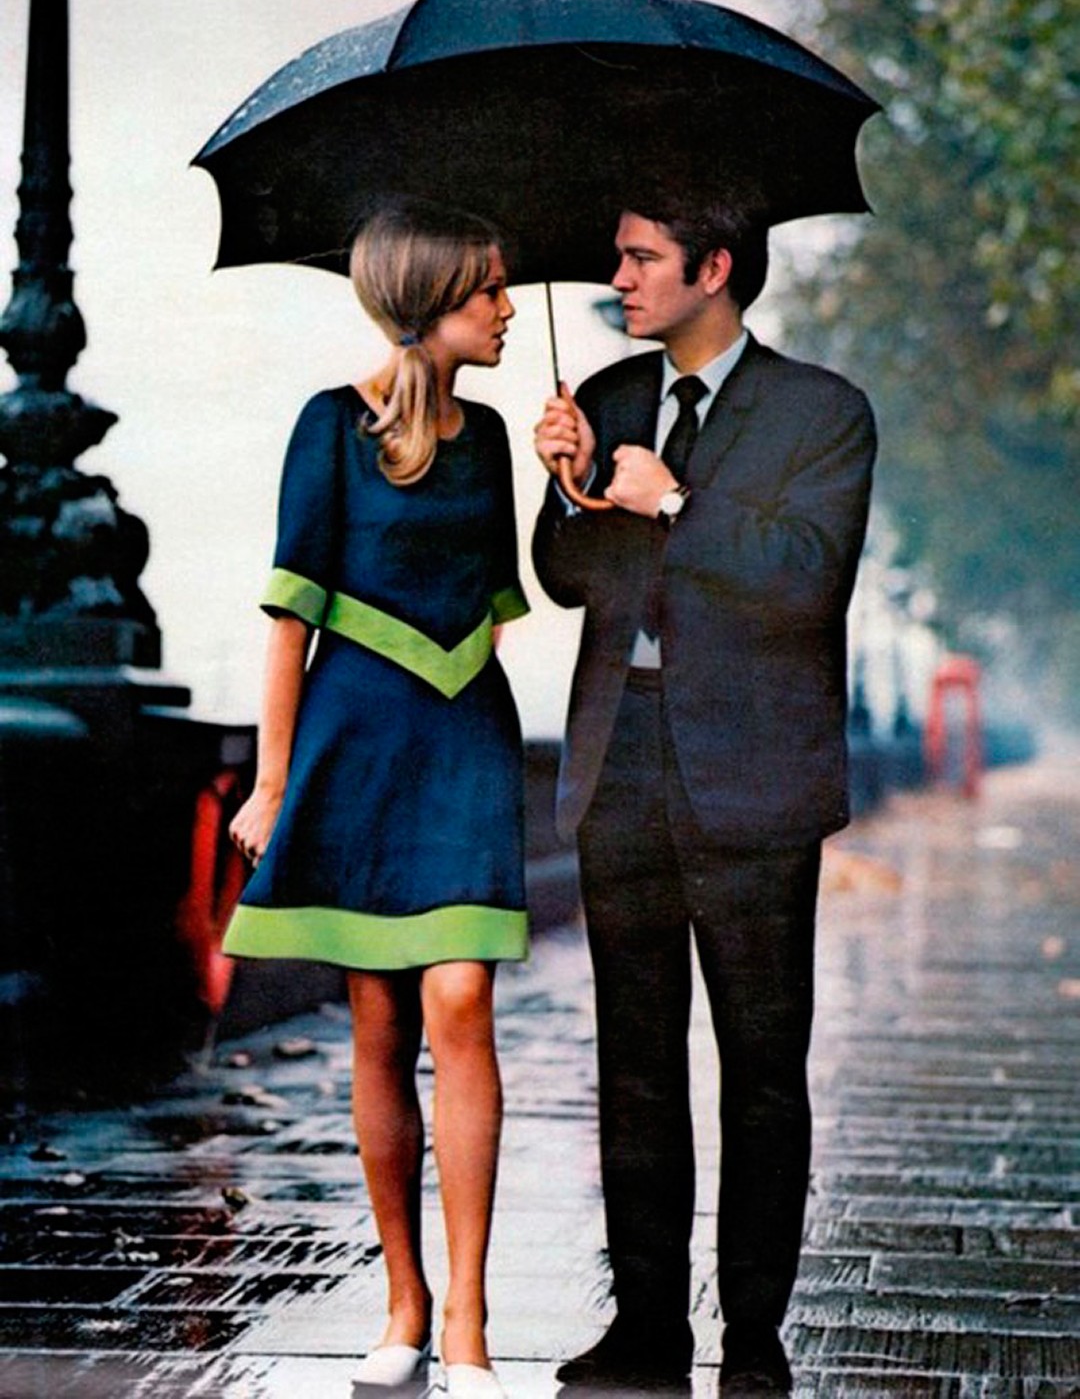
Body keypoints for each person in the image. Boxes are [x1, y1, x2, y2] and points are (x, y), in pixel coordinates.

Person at [533, 189, 876, 1396]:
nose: (619, 278)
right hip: (620, 759)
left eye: (641, 258)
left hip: (757, 776)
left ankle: (755, 1337)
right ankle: (645, 1327)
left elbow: (806, 577)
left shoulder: (823, 411)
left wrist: (672, 501)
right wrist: (571, 482)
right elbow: (566, 578)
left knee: (762, 1065)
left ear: (714, 267)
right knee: (633, 1060)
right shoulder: (610, 398)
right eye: (617, 257)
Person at [225, 198, 526, 1399]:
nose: (506, 309)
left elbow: (502, 596)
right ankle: (403, 1300)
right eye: (489, 289)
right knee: (378, 1022)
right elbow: (289, 619)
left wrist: (570, 480)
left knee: (461, 998)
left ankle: (469, 1320)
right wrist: (271, 783)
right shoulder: (329, 426)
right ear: (430, 299)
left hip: (465, 733)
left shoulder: (493, 435)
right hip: (357, 739)